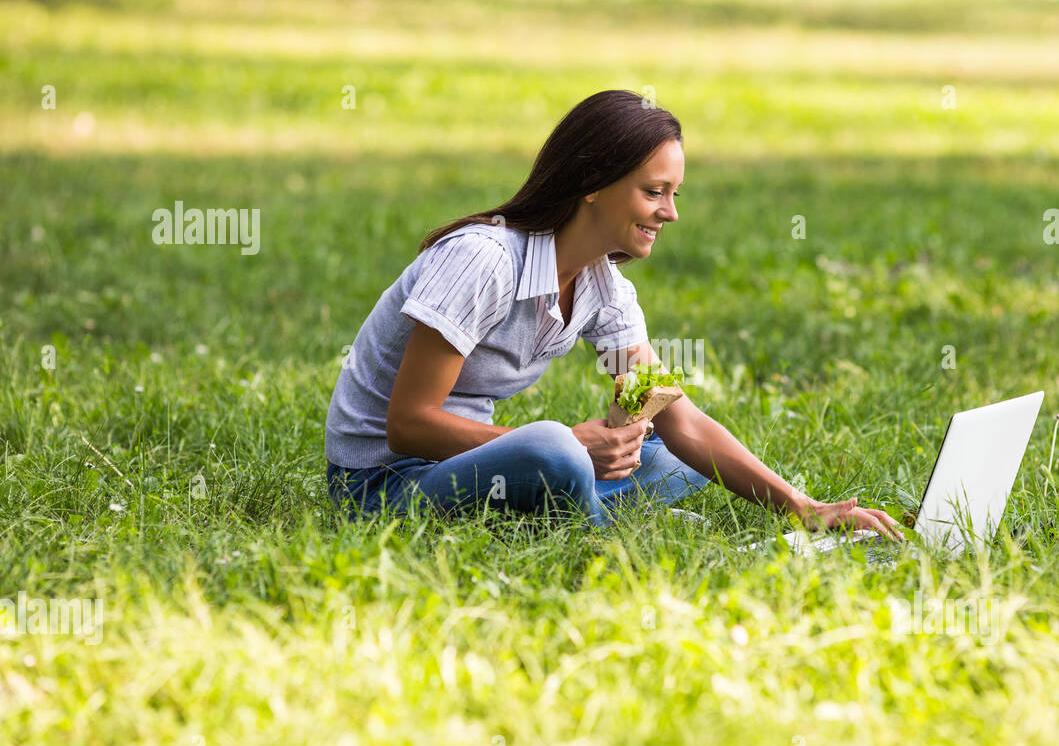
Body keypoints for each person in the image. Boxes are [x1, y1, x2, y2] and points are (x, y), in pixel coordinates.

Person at [324, 89, 903, 540]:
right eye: (654, 192)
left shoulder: (604, 285)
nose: (670, 212)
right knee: (552, 447)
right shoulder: (484, 260)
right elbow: (409, 424)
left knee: (682, 460)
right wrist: (573, 448)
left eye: (675, 194)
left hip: (474, 467)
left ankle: (567, 496)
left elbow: (678, 419)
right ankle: (598, 529)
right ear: (593, 184)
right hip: (386, 484)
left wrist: (804, 508)